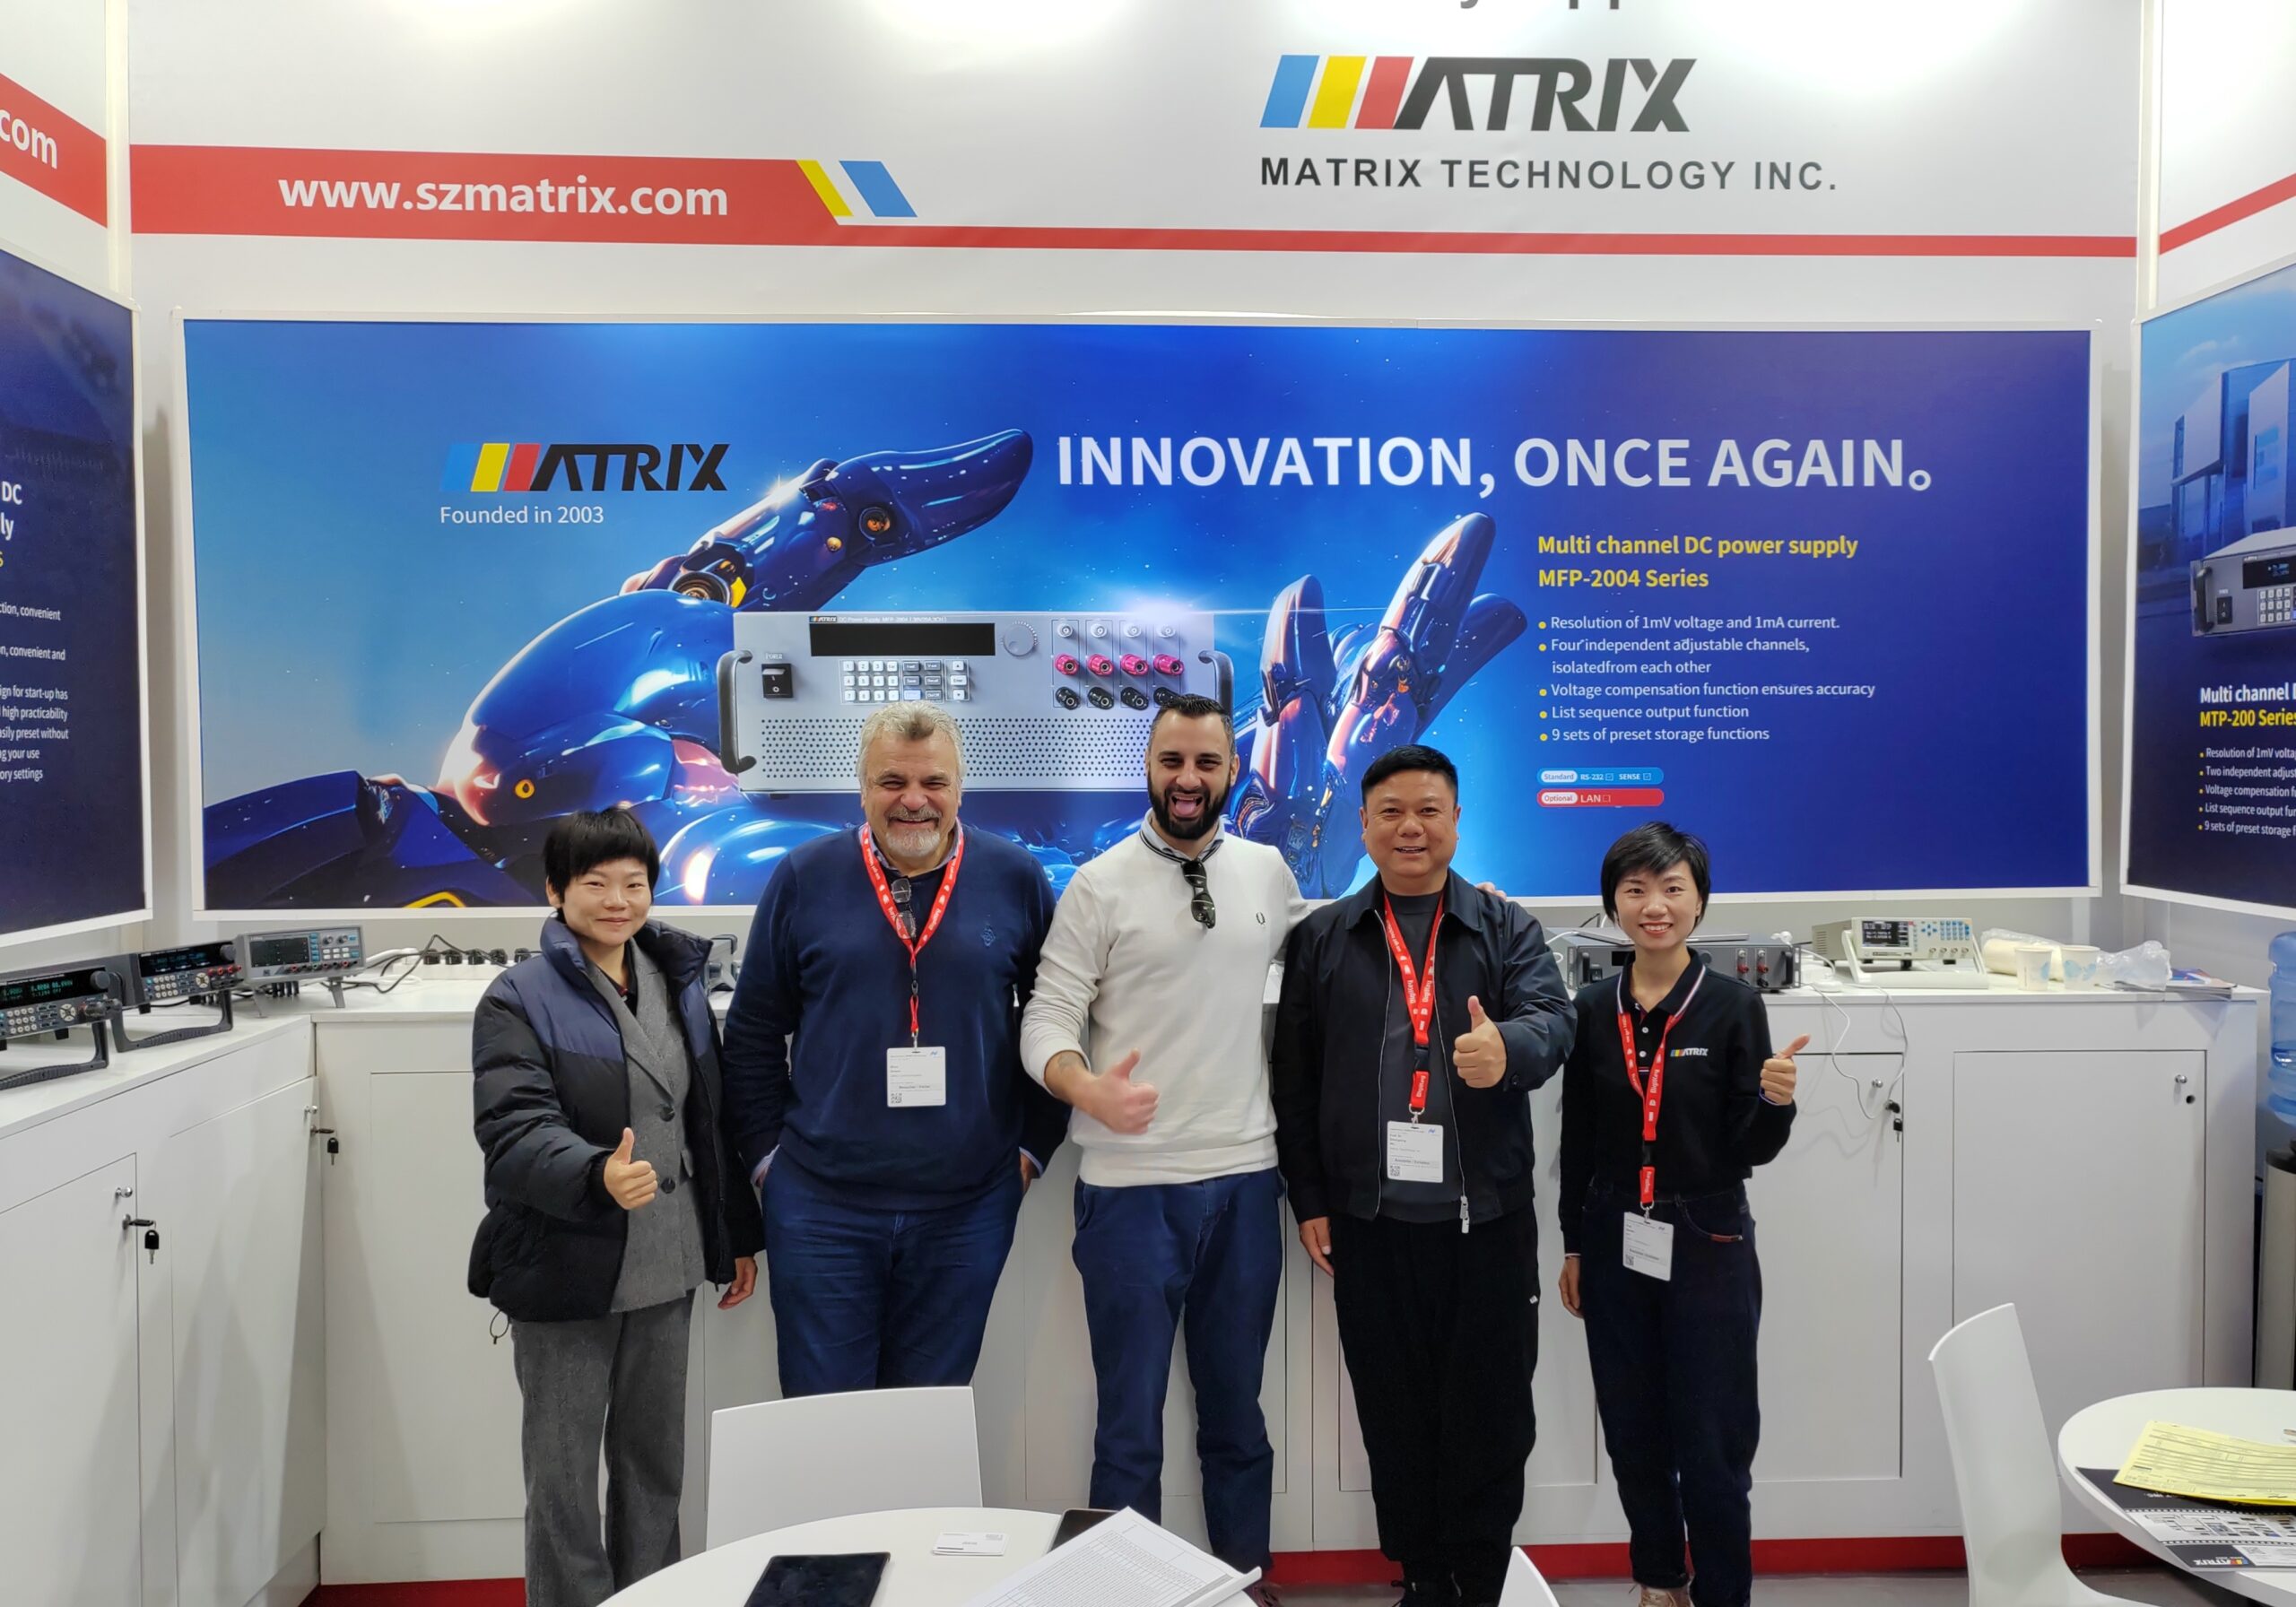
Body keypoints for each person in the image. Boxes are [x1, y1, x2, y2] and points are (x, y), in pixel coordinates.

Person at [1271, 743, 1574, 1607]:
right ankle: (1423, 1577)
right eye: (1392, 812)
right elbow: (1293, 1079)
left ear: (1456, 821)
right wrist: (1311, 1198)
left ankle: (1480, 1579)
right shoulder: (1323, 937)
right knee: (1393, 1410)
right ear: (1364, 825)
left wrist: (1507, 1048)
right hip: (1369, 1223)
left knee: (1491, 1411)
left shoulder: (1504, 927)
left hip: (1487, 1221)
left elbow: (1554, 1020)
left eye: (1429, 810)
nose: (1411, 828)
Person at [1020, 692, 1304, 1594]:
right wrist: (1083, 1086)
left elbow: (1330, 959)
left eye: (1206, 763)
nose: (1188, 779)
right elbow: (1046, 1018)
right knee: (1129, 1427)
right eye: (1172, 761)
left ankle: (1242, 1584)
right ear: (1147, 767)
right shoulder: (1098, 885)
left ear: (1232, 770)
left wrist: (1467, 904)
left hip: (1247, 1185)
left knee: (1237, 1416)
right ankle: (1124, 1592)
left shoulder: (1267, 872)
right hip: (1129, 1192)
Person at [721, 700, 1068, 1394]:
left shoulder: (1017, 878)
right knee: (826, 1423)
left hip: (968, 1207)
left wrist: (1032, 1150)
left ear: (960, 789)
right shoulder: (804, 877)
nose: (914, 800)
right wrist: (767, 1164)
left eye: (934, 782)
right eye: (892, 782)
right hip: (821, 1206)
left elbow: (1055, 1017)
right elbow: (754, 1030)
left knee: (927, 1425)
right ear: (863, 789)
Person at [466, 809, 763, 1607]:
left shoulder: (678, 980)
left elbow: (709, 1119)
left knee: (654, 1464)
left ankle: (653, 1597)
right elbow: (512, 1128)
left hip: (668, 1257)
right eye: (595, 883)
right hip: (567, 1262)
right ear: (556, 891)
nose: (617, 901)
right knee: (563, 1478)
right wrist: (595, 1172)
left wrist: (733, 1234)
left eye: (633, 883)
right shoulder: (517, 998)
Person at [1556, 823, 1802, 1607]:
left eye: (1671, 889)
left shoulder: (1733, 1006)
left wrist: (1775, 1102)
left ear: (1699, 903)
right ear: (1614, 905)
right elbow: (1578, 1139)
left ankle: (1724, 1593)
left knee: (1713, 1436)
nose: (1653, 906)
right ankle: (1660, 1581)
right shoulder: (1591, 1008)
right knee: (1633, 1427)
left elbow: (1751, 1148)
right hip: (1613, 1232)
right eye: (1635, 890)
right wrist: (1573, 1246)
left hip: (1708, 1234)